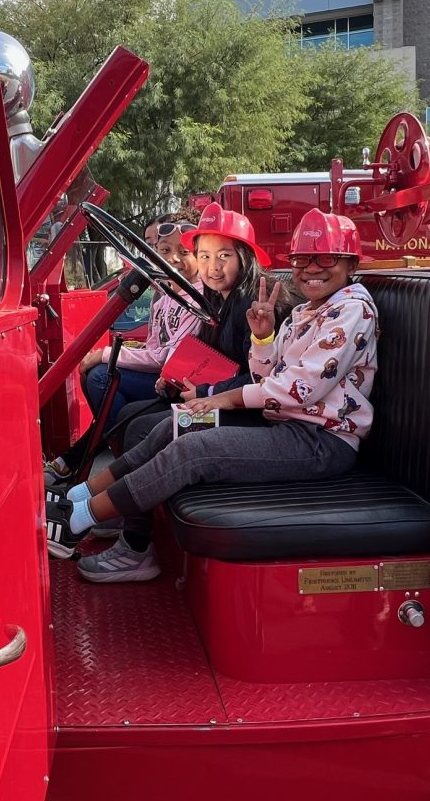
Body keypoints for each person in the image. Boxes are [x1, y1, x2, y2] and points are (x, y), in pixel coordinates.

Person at [45, 208, 378, 582]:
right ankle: (79, 498)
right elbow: (265, 374)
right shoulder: (305, 311)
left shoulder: (351, 310)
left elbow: (297, 390)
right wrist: (264, 336)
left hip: (320, 440)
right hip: (283, 424)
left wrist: (220, 398)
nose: (312, 268)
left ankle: (76, 521)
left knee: (193, 450)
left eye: (327, 258)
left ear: (351, 264)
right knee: (178, 424)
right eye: (303, 259)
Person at [114, 202, 294, 455]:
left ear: (244, 257)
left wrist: (205, 391)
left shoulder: (256, 305)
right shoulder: (214, 300)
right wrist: (175, 380)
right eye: (205, 256)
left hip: (253, 414)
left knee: (142, 429)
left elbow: (263, 377)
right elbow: (211, 358)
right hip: (216, 398)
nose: (213, 267)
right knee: (127, 416)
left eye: (224, 256)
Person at [43, 216, 203, 483]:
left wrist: (105, 355)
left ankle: (102, 465)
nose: (171, 259)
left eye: (184, 252)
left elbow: (165, 358)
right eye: (161, 250)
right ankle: (111, 464)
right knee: (101, 383)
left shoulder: (195, 298)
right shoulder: (164, 297)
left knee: (101, 377)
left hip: (178, 383)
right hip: (162, 375)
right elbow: (155, 346)